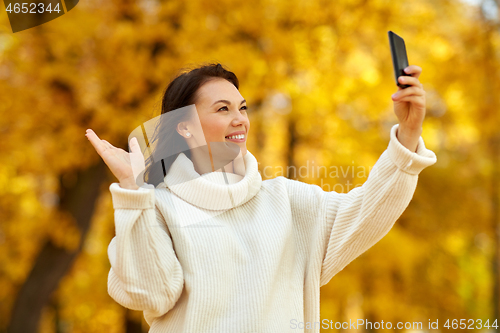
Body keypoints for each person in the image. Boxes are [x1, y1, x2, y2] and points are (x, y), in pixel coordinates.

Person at [85, 63, 436, 332]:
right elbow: (151, 294)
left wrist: (407, 135)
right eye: (223, 110)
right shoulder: (156, 206)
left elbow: (366, 211)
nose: (240, 120)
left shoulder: (285, 200)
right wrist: (133, 189)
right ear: (186, 127)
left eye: (242, 108)